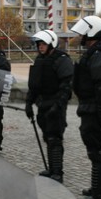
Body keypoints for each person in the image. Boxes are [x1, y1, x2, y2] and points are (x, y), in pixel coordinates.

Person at [70, 16, 101, 199]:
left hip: (93, 111)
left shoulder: (98, 56)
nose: (80, 35)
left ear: (92, 32)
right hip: (90, 109)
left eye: (83, 32)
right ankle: (100, 188)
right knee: (97, 151)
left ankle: (98, 196)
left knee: (96, 153)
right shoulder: (95, 54)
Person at [25, 30, 74, 183]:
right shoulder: (40, 60)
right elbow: (34, 85)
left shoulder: (62, 59)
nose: (40, 47)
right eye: (39, 44)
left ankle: (58, 172)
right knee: (47, 137)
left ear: (51, 43)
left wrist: (58, 106)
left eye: (43, 44)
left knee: (55, 138)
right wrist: (28, 103)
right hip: (43, 104)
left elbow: (67, 86)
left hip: (56, 105)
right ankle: (51, 169)